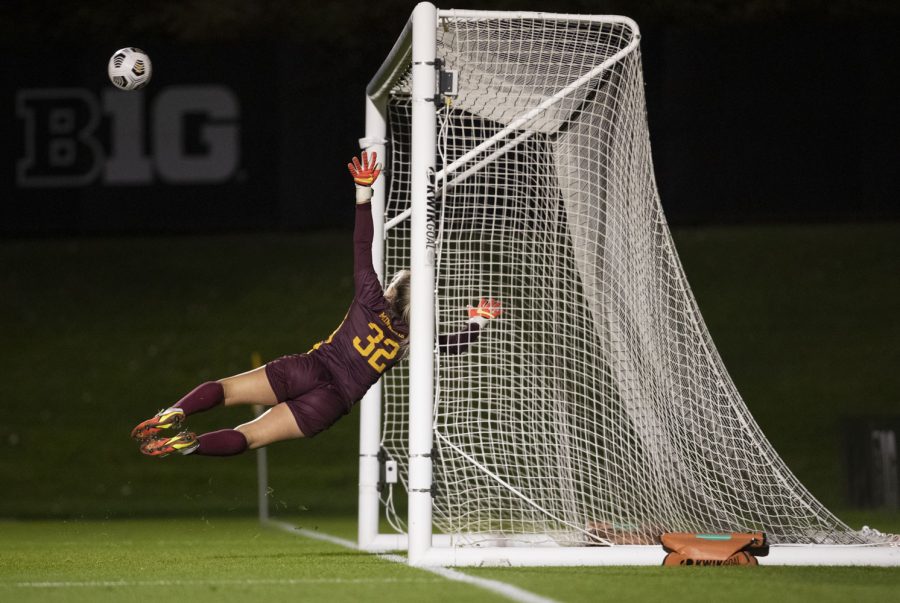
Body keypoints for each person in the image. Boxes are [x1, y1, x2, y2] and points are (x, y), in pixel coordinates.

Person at [132, 151, 502, 457]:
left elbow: (362, 245)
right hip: (330, 403)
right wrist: (478, 322)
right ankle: (189, 446)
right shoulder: (410, 340)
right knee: (250, 436)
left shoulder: (371, 299)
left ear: (393, 291)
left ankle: (175, 412)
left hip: (308, 369)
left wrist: (362, 193)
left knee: (225, 390)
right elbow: (453, 346)